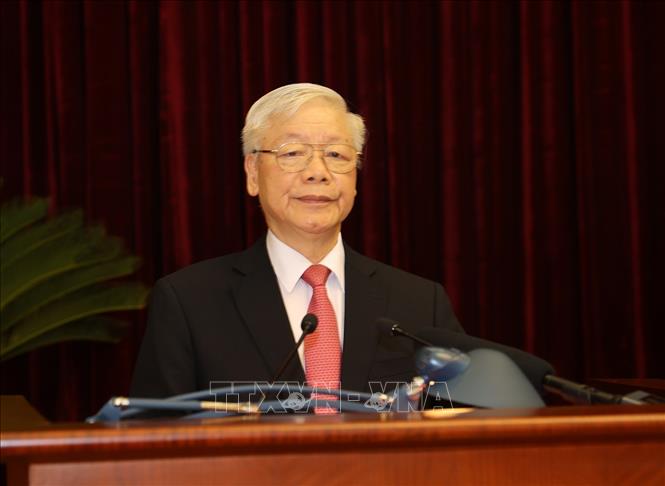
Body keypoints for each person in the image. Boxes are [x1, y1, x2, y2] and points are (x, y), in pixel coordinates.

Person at [130, 83, 463, 403]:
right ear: (253, 173)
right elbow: (154, 434)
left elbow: (461, 423)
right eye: (292, 153)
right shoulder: (189, 303)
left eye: (336, 154)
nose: (317, 172)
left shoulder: (421, 303)